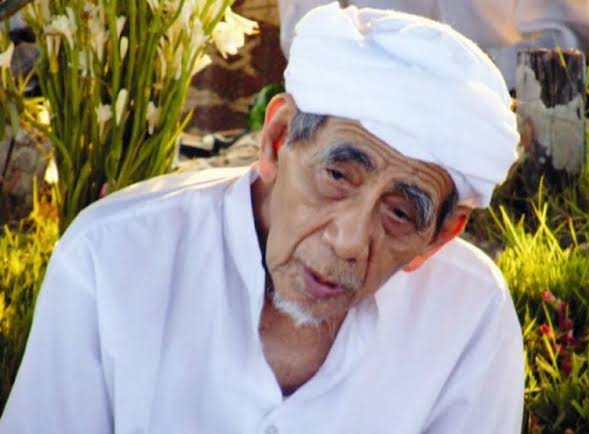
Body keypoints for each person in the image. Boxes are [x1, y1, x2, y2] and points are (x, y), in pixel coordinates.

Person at [0, 3, 524, 433]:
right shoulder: (108, 258)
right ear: (276, 141)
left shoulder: (471, 314)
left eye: (401, 213)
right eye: (337, 176)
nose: (349, 240)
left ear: (440, 237)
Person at [278, 0, 589, 89]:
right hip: (370, 109)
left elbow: (566, 42)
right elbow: (307, 40)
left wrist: (461, 72)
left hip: (508, 113)